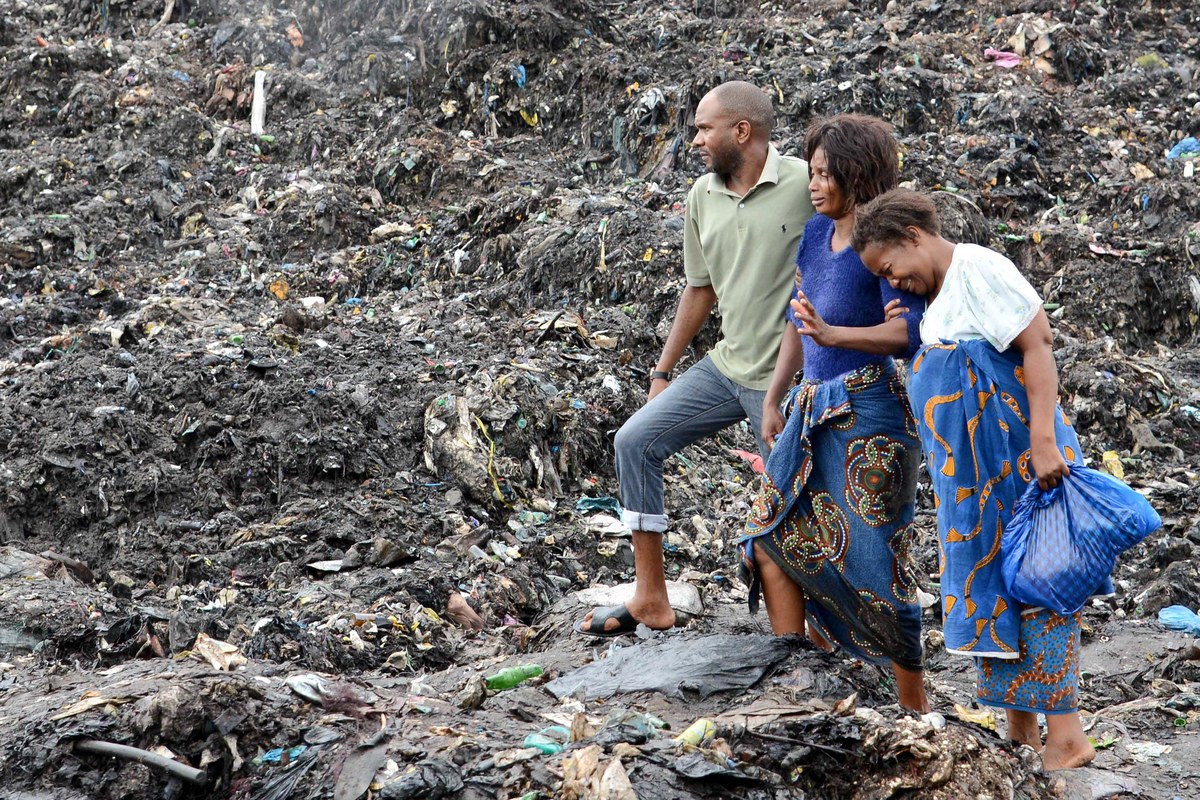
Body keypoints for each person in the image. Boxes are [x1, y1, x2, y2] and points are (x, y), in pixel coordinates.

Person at [850, 187, 1097, 769]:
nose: (894, 282)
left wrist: (1042, 440)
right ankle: (1021, 734)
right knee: (997, 595)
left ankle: (1067, 737)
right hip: (977, 489)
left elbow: (1036, 346)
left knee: (1039, 588)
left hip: (1021, 469)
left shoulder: (978, 268)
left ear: (912, 236)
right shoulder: (938, 301)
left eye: (891, 268)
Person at [575, 81, 815, 636]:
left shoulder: (806, 182)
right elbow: (699, 289)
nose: (696, 139)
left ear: (742, 131)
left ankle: (801, 641)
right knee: (634, 441)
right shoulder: (701, 197)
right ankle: (651, 599)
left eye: (705, 128)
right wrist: (662, 373)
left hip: (783, 379)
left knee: (792, 505)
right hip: (727, 366)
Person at [738, 114, 930, 712]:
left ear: (858, 176)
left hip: (870, 411)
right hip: (810, 410)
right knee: (771, 538)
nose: (814, 185)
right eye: (812, 172)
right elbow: (801, 324)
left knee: (876, 561)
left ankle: (913, 706)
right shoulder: (815, 237)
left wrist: (835, 330)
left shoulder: (884, 243)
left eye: (826, 174)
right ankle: (798, 678)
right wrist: (774, 396)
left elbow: (907, 332)